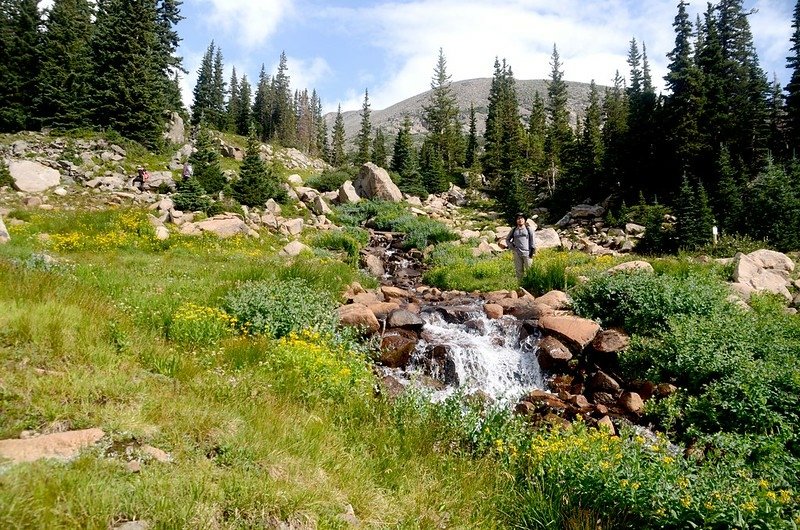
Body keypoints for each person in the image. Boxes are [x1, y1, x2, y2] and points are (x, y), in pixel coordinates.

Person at [506, 212, 536, 283]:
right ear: (516, 220)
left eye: (522, 218)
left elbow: (533, 241)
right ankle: (521, 286)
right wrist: (512, 247)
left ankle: (531, 285)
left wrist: (532, 251)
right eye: (518, 218)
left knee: (530, 270)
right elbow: (507, 239)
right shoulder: (513, 230)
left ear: (525, 220)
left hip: (528, 253)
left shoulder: (529, 229)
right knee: (519, 271)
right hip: (517, 253)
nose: (520, 220)